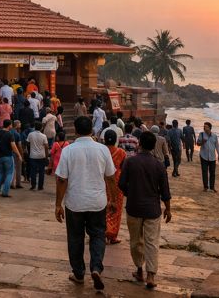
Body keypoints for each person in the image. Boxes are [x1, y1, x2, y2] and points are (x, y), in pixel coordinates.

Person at [54, 116, 117, 291]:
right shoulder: (103, 150)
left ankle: (79, 273)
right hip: (98, 202)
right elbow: (111, 177)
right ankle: (96, 267)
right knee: (98, 235)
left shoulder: (68, 150)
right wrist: (113, 199)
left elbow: (61, 180)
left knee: (75, 238)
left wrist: (58, 204)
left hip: (75, 202)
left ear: (75, 130)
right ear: (92, 130)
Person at [119, 131, 172, 289]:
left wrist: (131, 193)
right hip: (152, 210)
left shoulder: (130, 162)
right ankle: (151, 275)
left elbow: (121, 184)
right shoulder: (159, 165)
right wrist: (168, 210)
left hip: (134, 208)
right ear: (154, 145)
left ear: (139, 144)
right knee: (151, 243)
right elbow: (165, 191)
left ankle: (139, 270)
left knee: (136, 242)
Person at [103, 130, 126, 245]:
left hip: (102, 183)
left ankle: (102, 232)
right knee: (115, 210)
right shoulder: (121, 152)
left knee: (103, 209)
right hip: (117, 184)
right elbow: (123, 168)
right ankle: (112, 235)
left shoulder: (101, 151)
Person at [0, 120, 22, 197]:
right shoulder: (10, 134)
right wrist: (19, 155)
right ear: (9, 125)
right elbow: (13, 146)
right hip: (8, 156)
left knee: (1, 173)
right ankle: (5, 192)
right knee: (9, 174)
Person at [197, 122, 219, 192]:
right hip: (203, 156)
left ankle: (212, 187)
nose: (204, 128)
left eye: (206, 127)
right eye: (204, 127)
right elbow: (197, 143)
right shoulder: (201, 134)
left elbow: (217, 146)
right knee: (204, 172)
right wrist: (202, 142)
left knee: (212, 173)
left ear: (210, 128)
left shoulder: (214, 136)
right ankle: (205, 187)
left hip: (212, 157)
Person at [27, 121, 49, 190]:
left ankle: (33, 185)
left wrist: (30, 149)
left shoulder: (30, 134)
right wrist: (46, 156)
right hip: (41, 156)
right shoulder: (44, 136)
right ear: (41, 128)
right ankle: (40, 186)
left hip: (33, 156)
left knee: (33, 171)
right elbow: (46, 147)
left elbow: (27, 143)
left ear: (34, 127)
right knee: (41, 171)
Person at [10, 120, 25, 190]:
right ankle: (17, 183)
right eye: (20, 123)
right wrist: (21, 154)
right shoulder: (17, 134)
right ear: (17, 125)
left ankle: (11, 183)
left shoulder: (9, 132)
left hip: (9, 152)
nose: (21, 124)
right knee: (18, 168)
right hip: (16, 153)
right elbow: (19, 146)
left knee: (12, 169)